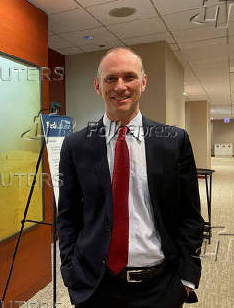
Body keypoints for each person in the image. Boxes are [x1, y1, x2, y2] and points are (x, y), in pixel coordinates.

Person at [57, 47, 204, 308]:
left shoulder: (174, 141)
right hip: (96, 287)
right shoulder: (76, 145)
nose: (120, 86)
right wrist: (71, 274)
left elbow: (189, 215)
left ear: (144, 82)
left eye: (129, 77)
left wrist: (187, 280)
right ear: (97, 86)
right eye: (110, 78)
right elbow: (67, 217)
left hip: (161, 287)